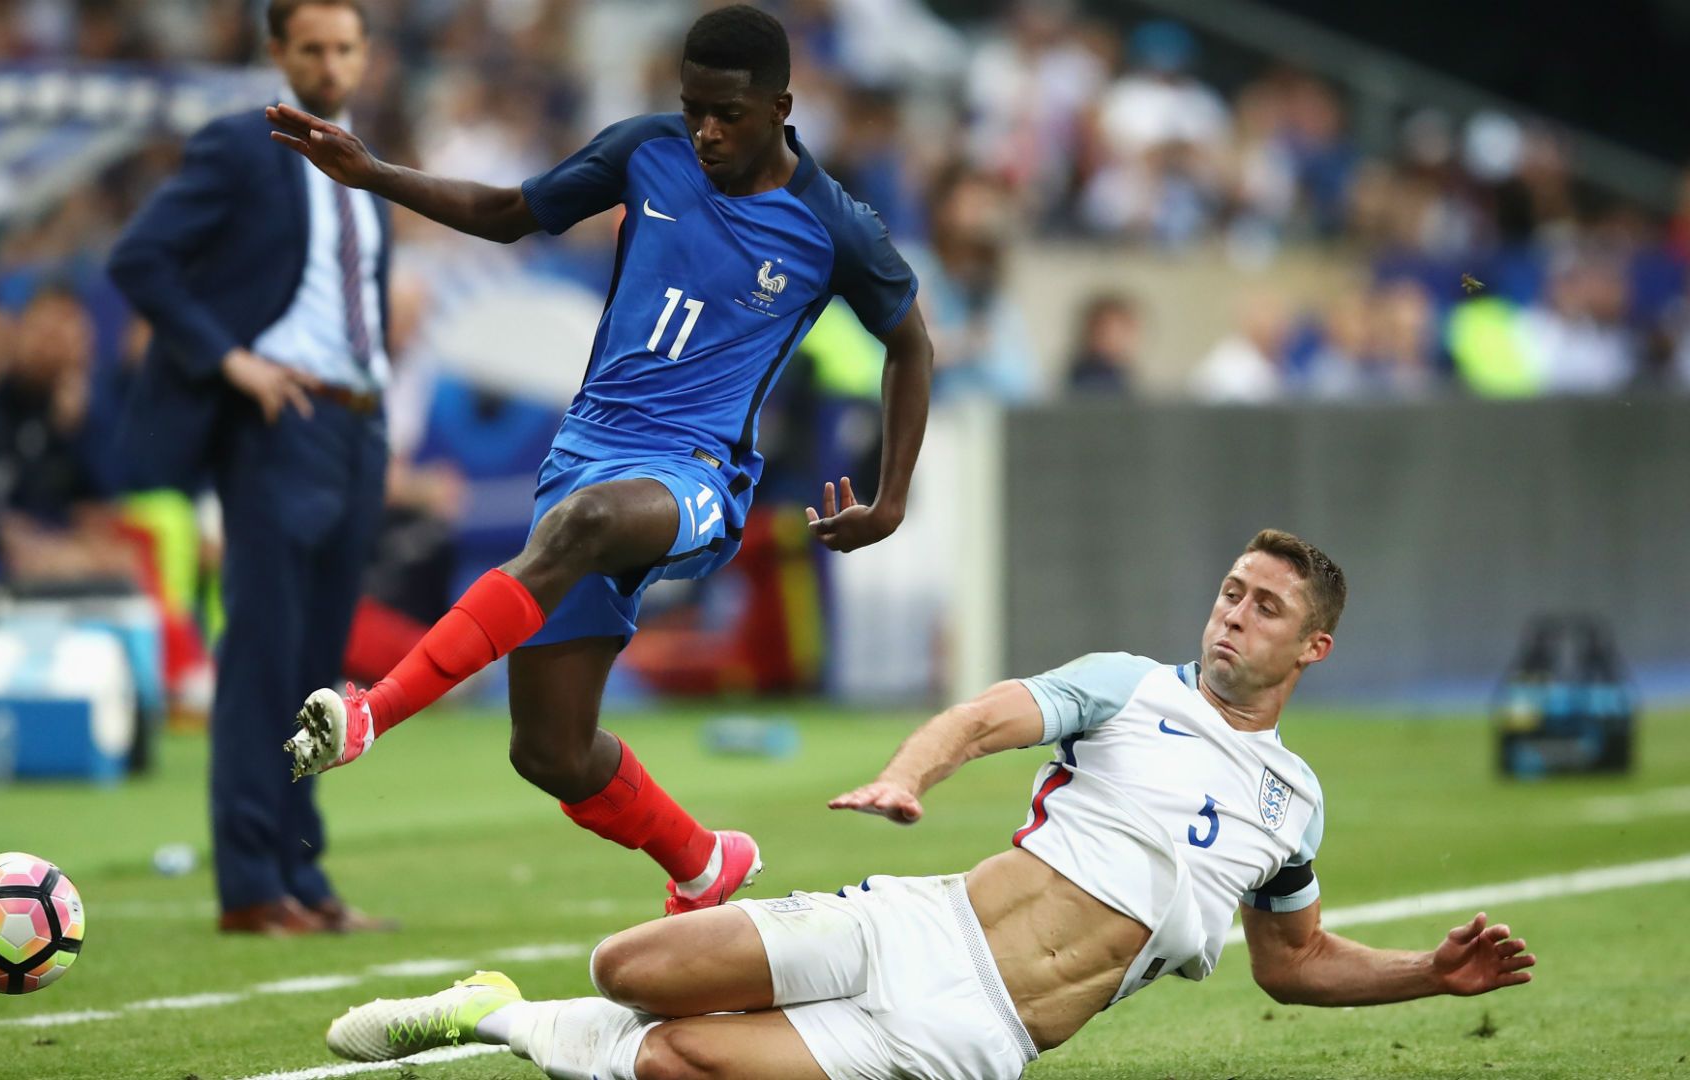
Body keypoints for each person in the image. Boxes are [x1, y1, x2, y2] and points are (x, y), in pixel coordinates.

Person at [316, 529, 1537, 1079]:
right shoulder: (1128, 688)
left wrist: (1432, 973)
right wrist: (912, 773)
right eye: (1230, 590)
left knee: (687, 1060)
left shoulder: (1295, 804)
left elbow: (1296, 963)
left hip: (975, 1040)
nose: (1233, 613)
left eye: (1266, 607)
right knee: (631, 966)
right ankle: (500, 1004)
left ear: (1311, 649)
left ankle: (500, 1021)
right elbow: (985, 715)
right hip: (920, 923)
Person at [274, 4, 933, 915]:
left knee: (581, 526)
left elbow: (912, 346)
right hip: (586, 453)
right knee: (548, 750)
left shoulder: (833, 224)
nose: (704, 130)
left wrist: (890, 498)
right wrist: (373, 173)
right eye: (693, 106)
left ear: (783, 105)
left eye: (728, 114)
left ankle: (370, 712)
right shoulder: (645, 151)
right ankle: (704, 863)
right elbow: (511, 216)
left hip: (698, 477)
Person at [106, 0, 394, 936]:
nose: (329, 64)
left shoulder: (363, 159)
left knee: (319, 670)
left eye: (344, 47)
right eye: (310, 47)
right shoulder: (241, 145)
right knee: (263, 660)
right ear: (276, 53)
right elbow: (139, 258)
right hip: (280, 421)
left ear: (364, 54)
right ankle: (249, 886)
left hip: (356, 424)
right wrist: (231, 359)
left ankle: (302, 876)